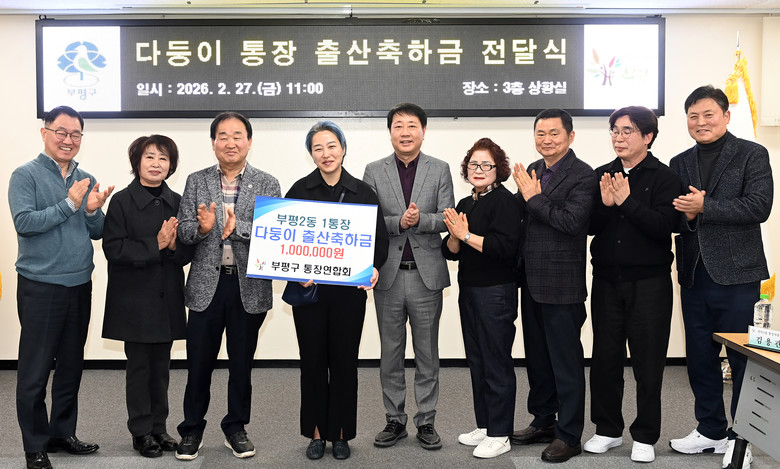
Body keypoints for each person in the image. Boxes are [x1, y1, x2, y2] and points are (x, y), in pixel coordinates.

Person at [669, 85, 773, 469]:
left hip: (739, 274)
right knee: (700, 358)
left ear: (726, 116)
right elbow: (675, 215)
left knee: (742, 359)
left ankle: (741, 440)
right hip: (694, 274)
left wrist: (704, 207)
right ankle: (710, 429)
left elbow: (759, 206)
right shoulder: (679, 162)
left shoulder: (752, 154)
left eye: (708, 114)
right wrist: (688, 215)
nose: (701, 122)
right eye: (693, 116)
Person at [9, 105, 114, 469]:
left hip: (79, 284)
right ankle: (34, 446)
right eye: (61, 132)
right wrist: (70, 204)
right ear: (45, 133)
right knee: (35, 371)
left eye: (75, 134)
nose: (68, 140)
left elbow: (98, 232)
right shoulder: (25, 175)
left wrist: (92, 210)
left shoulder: (86, 177)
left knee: (71, 366)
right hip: (40, 286)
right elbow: (25, 223)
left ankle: (61, 434)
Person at [174, 112, 281, 461]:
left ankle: (236, 427)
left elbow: (274, 235)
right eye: (223, 136)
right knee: (198, 365)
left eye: (237, 135)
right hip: (207, 286)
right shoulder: (197, 180)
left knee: (241, 365)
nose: (230, 142)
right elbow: (184, 231)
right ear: (213, 143)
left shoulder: (267, 182)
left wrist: (238, 228)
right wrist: (203, 229)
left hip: (248, 286)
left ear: (249, 141)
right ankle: (191, 429)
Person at [285, 121, 389, 461]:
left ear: (343, 149)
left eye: (332, 146)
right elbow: (285, 242)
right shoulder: (299, 190)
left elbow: (379, 243)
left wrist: (373, 268)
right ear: (311, 154)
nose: (326, 153)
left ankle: (341, 433)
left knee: (345, 363)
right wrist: (296, 272)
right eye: (318, 148)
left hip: (348, 294)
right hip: (310, 294)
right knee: (312, 362)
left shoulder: (363, 192)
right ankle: (317, 434)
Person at [584, 106, 681, 463]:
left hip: (649, 283)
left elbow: (664, 227)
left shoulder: (665, 177)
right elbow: (590, 227)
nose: (618, 137)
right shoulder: (601, 174)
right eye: (614, 130)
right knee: (605, 359)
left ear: (648, 136)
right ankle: (607, 429)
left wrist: (627, 203)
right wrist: (607, 206)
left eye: (627, 131)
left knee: (648, 361)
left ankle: (645, 435)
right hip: (607, 281)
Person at [363, 103, 455, 451]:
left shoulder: (439, 168)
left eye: (412, 125)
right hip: (387, 275)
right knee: (391, 354)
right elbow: (369, 220)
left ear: (423, 131)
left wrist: (422, 220)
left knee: (427, 354)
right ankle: (394, 419)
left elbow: (447, 217)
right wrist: (399, 222)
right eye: (398, 126)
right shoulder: (374, 170)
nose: (405, 132)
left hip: (425, 276)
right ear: (390, 132)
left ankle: (426, 421)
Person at [510, 108, 595, 463]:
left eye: (554, 133)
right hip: (530, 281)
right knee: (538, 359)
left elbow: (571, 222)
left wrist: (534, 198)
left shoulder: (584, 175)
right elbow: (518, 219)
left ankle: (569, 434)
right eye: (540, 133)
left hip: (562, 284)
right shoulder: (533, 169)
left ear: (570, 136)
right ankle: (543, 420)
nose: (546, 140)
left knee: (566, 363)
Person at [101, 135, 193, 458]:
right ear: (137, 162)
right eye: (149, 157)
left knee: (162, 368)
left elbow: (187, 252)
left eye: (163, 158)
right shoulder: (121, 201)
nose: (156, 164)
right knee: (139, 368)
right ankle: (141, 432)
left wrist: (174, 245)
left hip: (166, 299)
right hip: (134, 301)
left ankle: (159, 428)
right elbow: (113, 248)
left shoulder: (179, 201)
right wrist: (155, 244)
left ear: (171, 166)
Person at [442, 138, 520, 459]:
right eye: (473, 164)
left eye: (486, 164)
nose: (479, 169)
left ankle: (501, 434)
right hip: (470, 290)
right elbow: (451, 252)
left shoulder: (505, 202)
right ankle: (486, 425)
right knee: (477, 359)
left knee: (496, 361)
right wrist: (456, 237)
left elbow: (504, 248)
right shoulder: (466, 202)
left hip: (496, 292)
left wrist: (465, 235)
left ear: (498, 169)